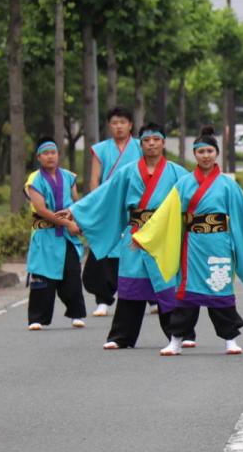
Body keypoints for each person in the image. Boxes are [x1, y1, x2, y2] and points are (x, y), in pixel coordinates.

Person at [135, 128, 243, 357]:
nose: (206, 155)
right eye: (201, 151)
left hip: (219, 246)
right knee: (185, 296)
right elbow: (166, 214)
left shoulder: (227, 185)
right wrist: (144, 237)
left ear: (217, 153)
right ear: (195, 155)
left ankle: (230, 339)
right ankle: (176, 341)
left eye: (210, 151)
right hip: (192, 246)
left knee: (220, 292)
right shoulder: (183, 184)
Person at [67, 123, 187, 349]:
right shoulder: (128, 172)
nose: (151, 143)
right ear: (140, 144)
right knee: (131, 285)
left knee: (167, 284)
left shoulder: (177, 172)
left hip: (163, 238)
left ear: (163, 143)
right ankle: (121, 336)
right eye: (146, 140)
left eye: (156, 139)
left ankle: (180, 333)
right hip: (135, 236)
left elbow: (192, 201)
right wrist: (76, 211)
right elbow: (105, 195)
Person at [83, 107, 142, 317]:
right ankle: (103, 299)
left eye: (123, 122)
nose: (119, 126)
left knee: (140, 248)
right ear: (109, 125)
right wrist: (97, 204)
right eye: (115, 122)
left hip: (135, 205)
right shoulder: (100, 149)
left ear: (130, 125)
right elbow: (94, 180)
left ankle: (151, 297)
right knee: (105, 251)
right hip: (109, 206)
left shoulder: (141, 147)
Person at [24, 139, 86, 330]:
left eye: (53, 152)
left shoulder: (69, 176)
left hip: (66, 235)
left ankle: (76, 314)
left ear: (58, 155)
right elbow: (41, 209)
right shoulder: (34, 180)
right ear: (39, 157)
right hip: (45, 235)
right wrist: (67, 222)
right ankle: (37, 318)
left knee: (72, 273)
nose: (50, 156)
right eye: (46, 153)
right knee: (42, 277)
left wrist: (77, 219)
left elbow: (77, 203)